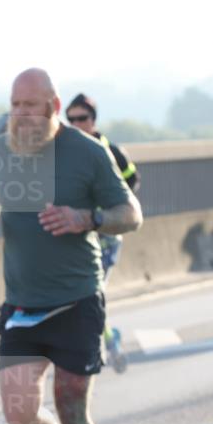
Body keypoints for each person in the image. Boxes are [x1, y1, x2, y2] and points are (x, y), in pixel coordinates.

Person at [0, 68, 142, 424]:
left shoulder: (86, 152)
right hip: (22, 304)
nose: (22, 114)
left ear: (53, 104)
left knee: (71, 403)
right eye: (15, 105)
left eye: (31, 105)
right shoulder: (0, 144)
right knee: (19, 414)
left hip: (76, 301)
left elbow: (131, 214)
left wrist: (84, 217)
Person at [65, 93, 140, 373]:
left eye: (81, 118)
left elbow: (132, 181)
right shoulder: (66, 150)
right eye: (70, 119)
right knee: (85, 292)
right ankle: (106, 338)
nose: (76, 124)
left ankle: (108, 343)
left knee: (94, 290)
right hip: (81, 235)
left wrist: (110, 209)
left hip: (107, 234)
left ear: (93, 120)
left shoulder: (109, 149)